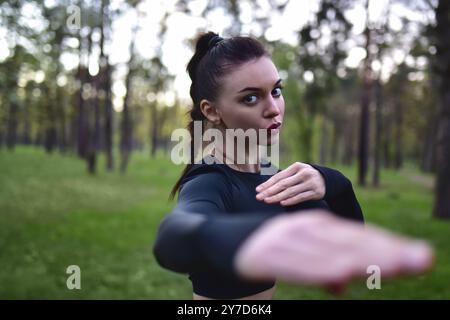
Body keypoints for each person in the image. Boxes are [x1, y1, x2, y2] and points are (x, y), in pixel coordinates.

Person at [153, 32, 433, 300]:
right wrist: (251, 236)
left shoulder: (271, 177)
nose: (273, 108)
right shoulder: (210, 179)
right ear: (212, 111)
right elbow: (174, 236)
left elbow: (349, 239)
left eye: (276, 90)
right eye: (250, 97)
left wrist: (332, 182)